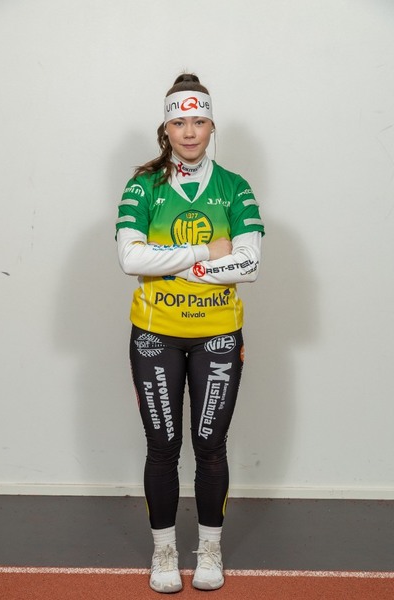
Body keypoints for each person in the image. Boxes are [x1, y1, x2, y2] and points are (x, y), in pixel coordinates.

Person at [116, 73, 265, 593]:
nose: (189, 131)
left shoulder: (235, 187)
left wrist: (174, 266)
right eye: (179, 122)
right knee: (162, 445)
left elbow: (249, 264)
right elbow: (130, 258)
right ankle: (163, 552)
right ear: (166, 128)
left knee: (210, 445)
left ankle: (209, 549)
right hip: (155, 334)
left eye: (199, 121)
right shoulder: (143, 186)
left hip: (218, 334)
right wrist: (205, 254)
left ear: (211, 126)